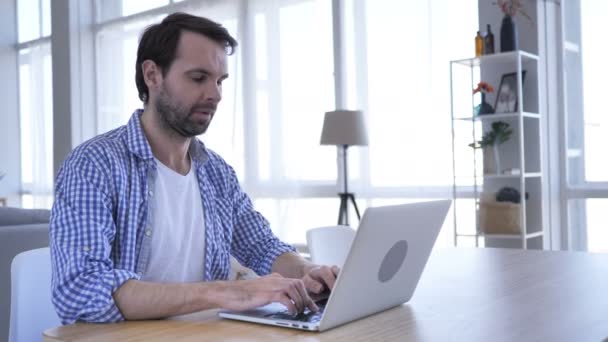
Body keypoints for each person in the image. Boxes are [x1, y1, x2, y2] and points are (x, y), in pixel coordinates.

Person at [49, 12, 338, 324]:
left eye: (219, 81)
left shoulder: (217, 173)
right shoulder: (94, 165)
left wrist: (307, 271)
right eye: (198, 78)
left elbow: (262, 245)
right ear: (152, 75)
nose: (215, 94)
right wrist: (224, 292)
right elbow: (78, 290)